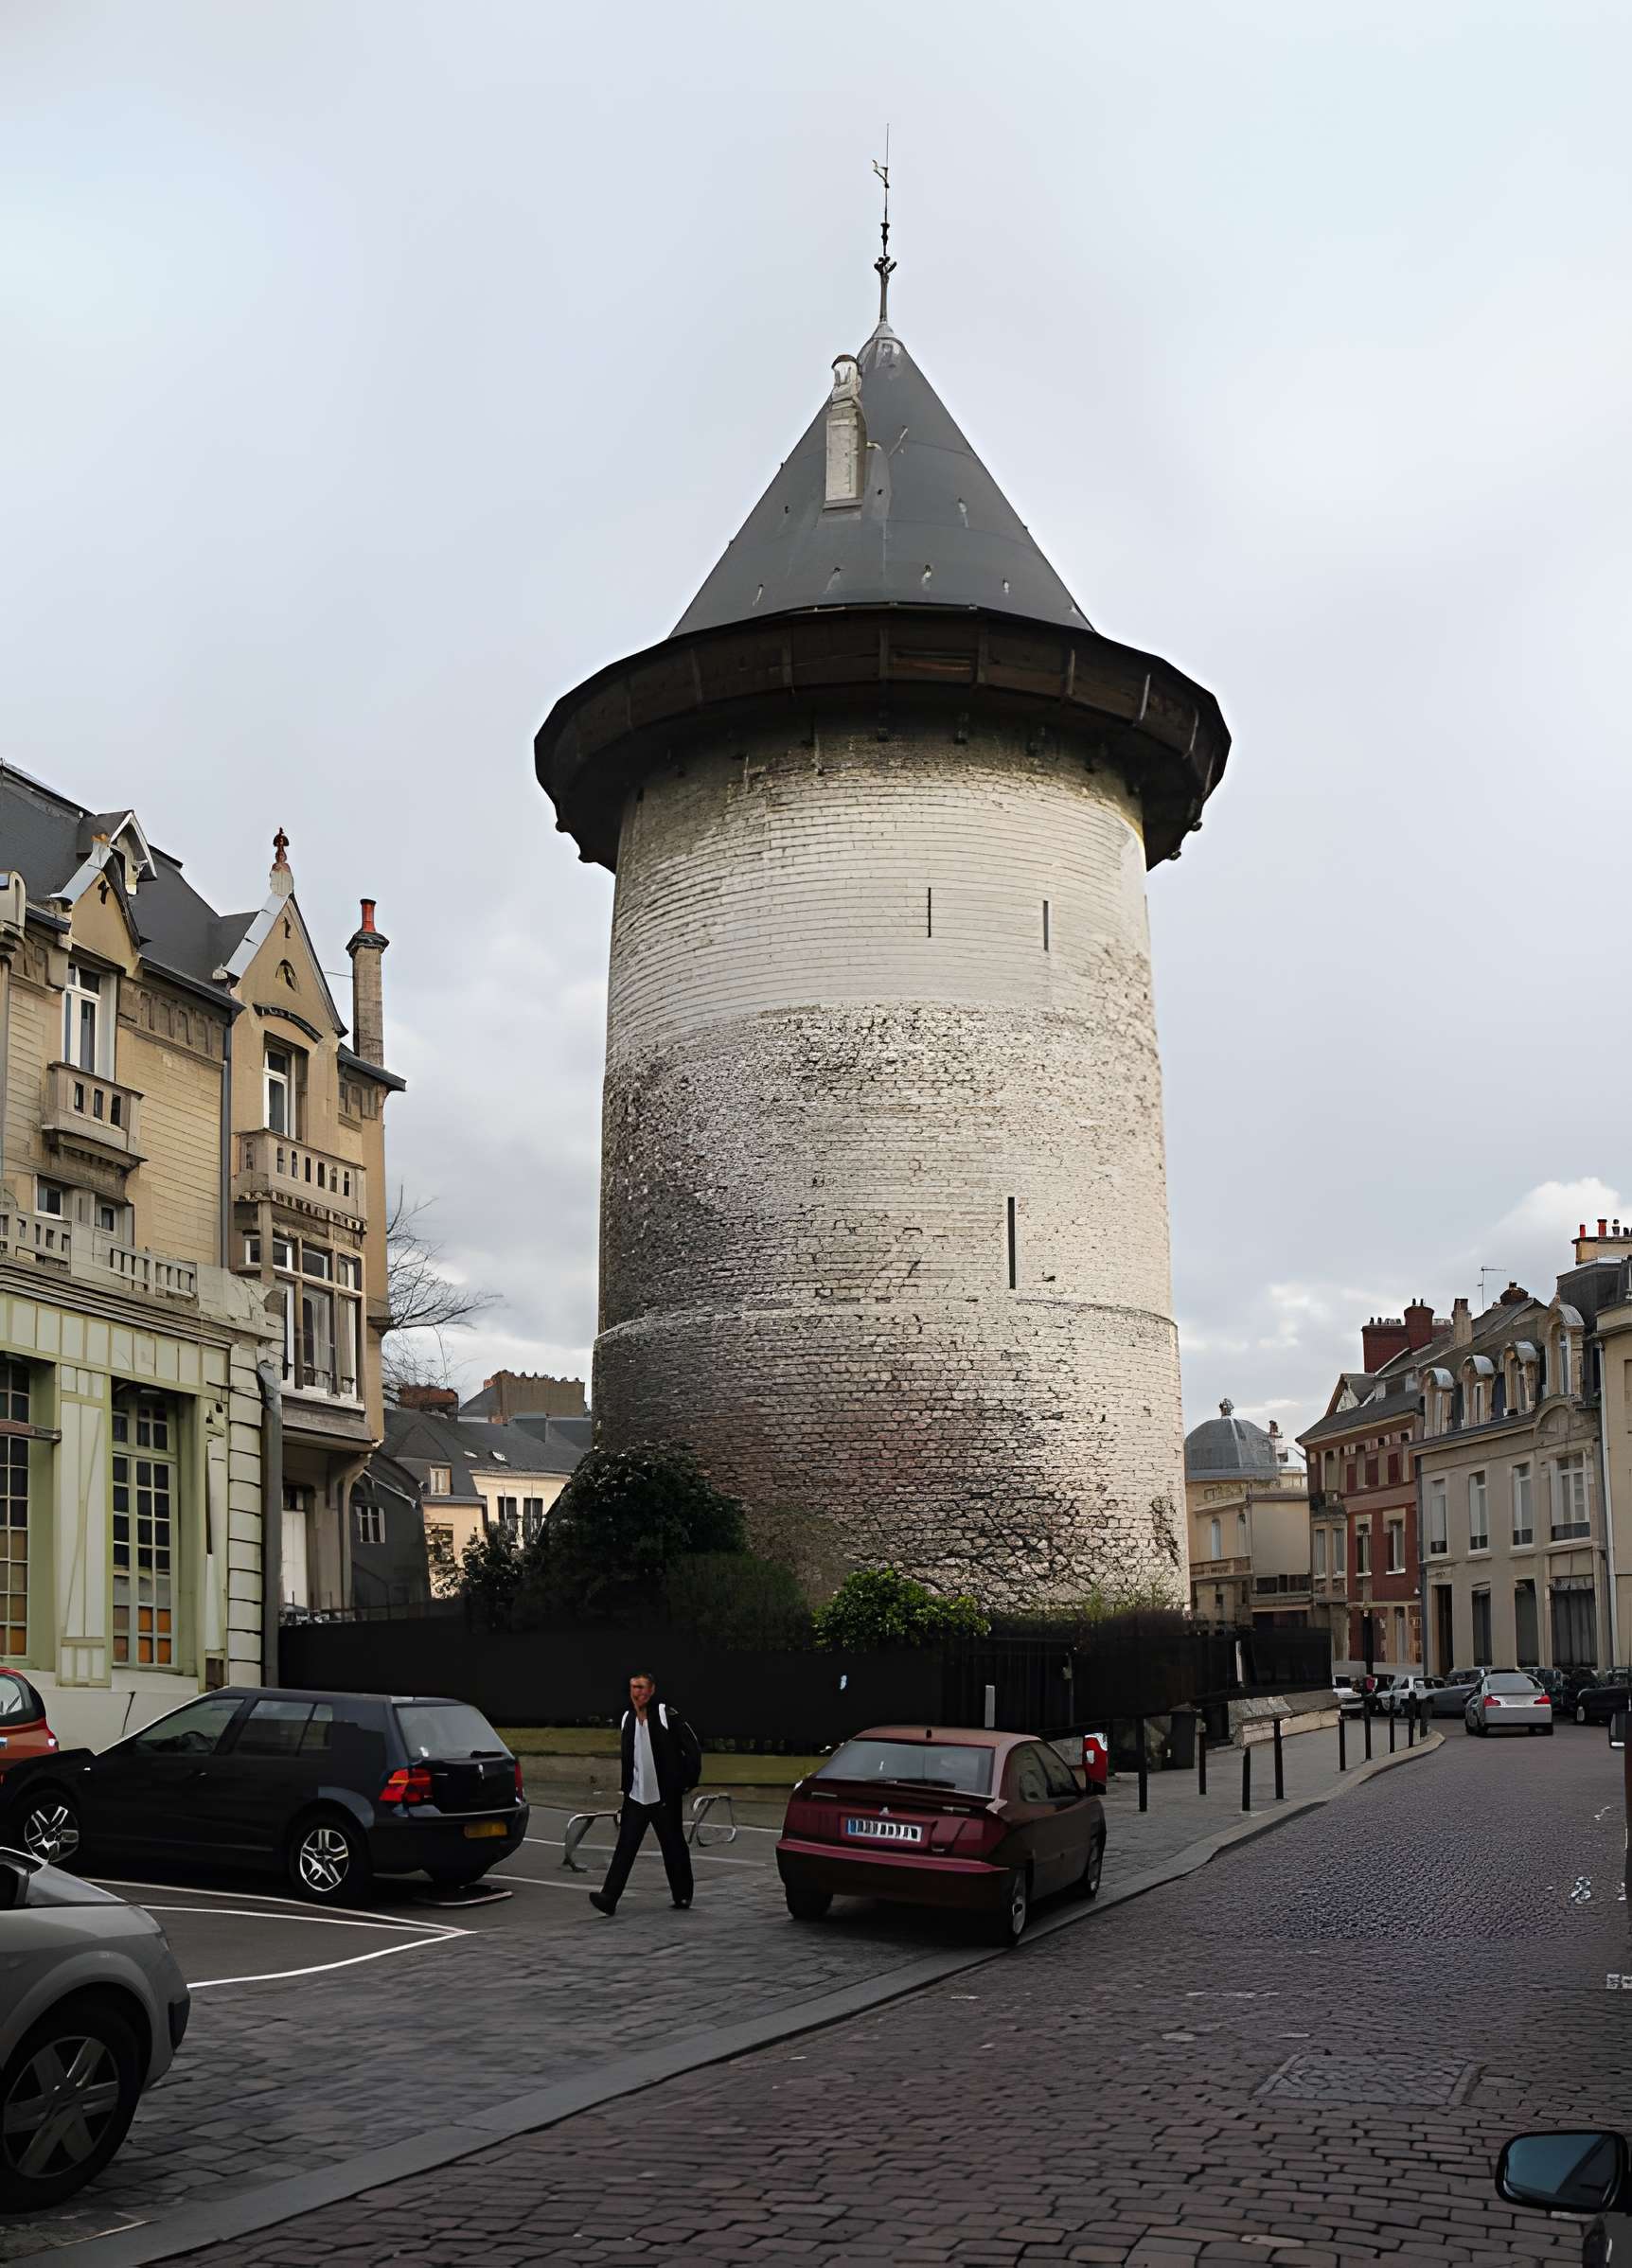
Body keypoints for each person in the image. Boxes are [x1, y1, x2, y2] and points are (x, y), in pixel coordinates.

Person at [589, 1672, 701, 1917]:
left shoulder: (664, 1713)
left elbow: (692, 1747)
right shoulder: (627, 1719)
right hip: (636, 1797)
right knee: (625, 1847)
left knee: (673, 1846)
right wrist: (627, 1788)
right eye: (633, 1687)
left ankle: (682, 1894)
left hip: (663, 1797)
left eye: (641, 1687)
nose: (637, 1692)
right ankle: (609, 1897)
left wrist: (685, 1783)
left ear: (651, 1690)